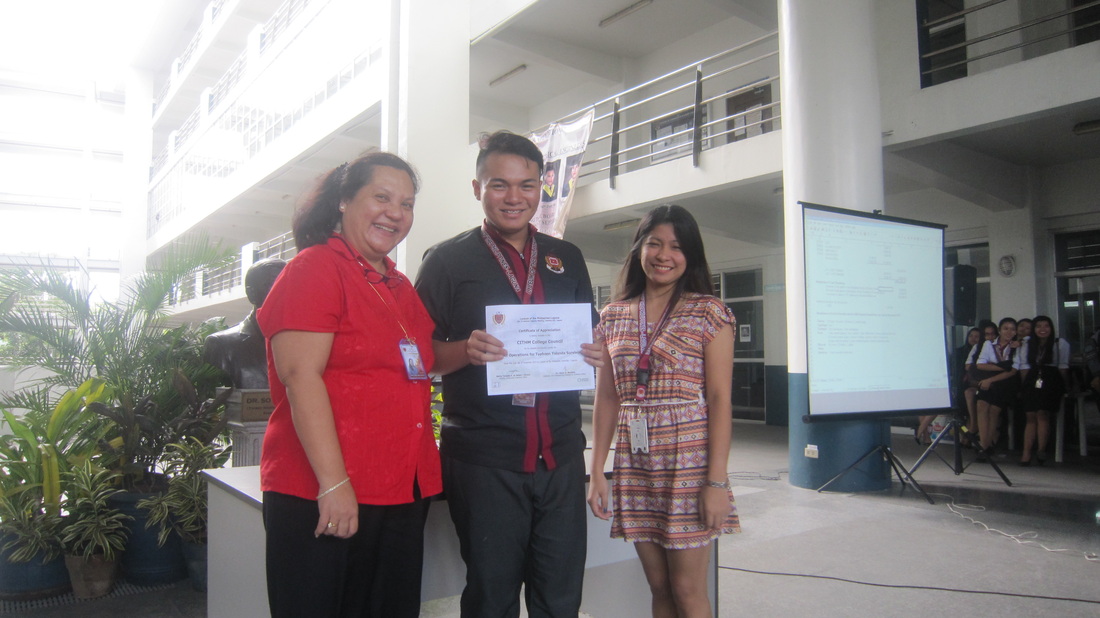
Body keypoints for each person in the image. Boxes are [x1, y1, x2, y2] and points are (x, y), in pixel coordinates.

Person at [414, 131, 603, 617]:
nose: (514, 197)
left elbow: (589, 333)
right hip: (485, 459)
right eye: (499, 184)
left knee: (560, 596)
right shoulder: (446, 260)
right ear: (477, 188)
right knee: (492, 596)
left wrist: (597, 350)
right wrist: (464, 350)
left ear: (542, 187)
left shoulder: (567, 258)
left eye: (527, 185)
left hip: (560, 455)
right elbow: (417, 357)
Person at [256, 153, 441, 617]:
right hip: (326, 490)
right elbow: (300, 376)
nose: (395, 213)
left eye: (406, 204)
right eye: (381, 197)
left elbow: (421, 363)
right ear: (343, 200)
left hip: (399, 489)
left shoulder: (396, 284)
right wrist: (334, 484)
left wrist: (479, 349)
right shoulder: (315, 268)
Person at [588, 204, 739, 618]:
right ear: (639, 248)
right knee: (659, 587)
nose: (663, 255)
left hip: (689, 464)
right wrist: (598, 470)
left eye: (676, 246)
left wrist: (716, 482)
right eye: (654, 243)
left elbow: (720, 399)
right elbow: (607, 397)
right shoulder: (613, 315)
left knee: (688, 590)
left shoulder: (709, 312)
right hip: (636, 464)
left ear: (690, 255)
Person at [203, 257, 287, 389]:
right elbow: (216, 398)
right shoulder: (221, 344)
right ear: (251, 294)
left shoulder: (306, 342)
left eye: (289, 284)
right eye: (273, 285)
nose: (284, 291)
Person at [1016, 315, 1070, 466]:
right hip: (1032, 378)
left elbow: (1063, 366)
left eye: (1046, 326)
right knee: (1030, 415)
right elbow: (1024, 367)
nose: (1042, 329)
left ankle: (1041, 450)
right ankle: (1026, 453)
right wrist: (1023, 386)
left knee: (1042, 413)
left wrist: (1066, 386)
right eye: (1038, 326)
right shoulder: (1027, 343)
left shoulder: (1060, 343)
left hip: (1051, 379)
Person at [971, 317, 1019, 459]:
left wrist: (991, 377)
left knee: (993, 411)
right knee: (981, 405)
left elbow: (1013, 371)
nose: (1009, 332)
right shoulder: (988, 344)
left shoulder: (1017, 346)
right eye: (1005, 328)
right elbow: (980, 364)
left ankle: (986, 445)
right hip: (988, 378)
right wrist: (1002, 367)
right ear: (999, 330)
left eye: (1012, 329)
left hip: (1005, 382)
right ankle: (983, 444)